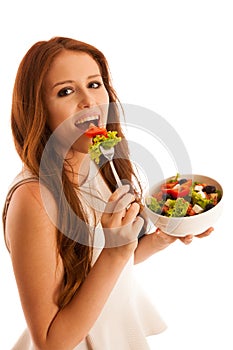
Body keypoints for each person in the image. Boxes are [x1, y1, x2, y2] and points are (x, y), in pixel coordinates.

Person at [2, 36, 213, 350]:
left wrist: (157, 240)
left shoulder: (99, 166)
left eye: (95, 84)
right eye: (66, 91)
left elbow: (96, 267)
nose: (88, 101)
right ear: (38, 109)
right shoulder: (33, 199)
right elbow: (50, 342)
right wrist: (115, 252)